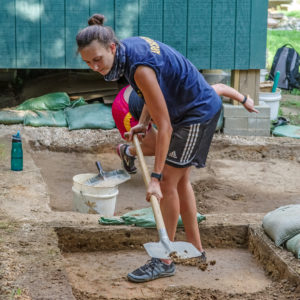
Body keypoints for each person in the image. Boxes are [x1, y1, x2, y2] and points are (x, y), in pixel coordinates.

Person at [76, 14, 258, 283]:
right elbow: (154, 92)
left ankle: (163, 260)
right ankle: (196, 250)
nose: (94, 67)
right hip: (188, 111)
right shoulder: (129, 53)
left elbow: (166, 127)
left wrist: (155, 179)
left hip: (195, 115)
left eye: (97, 59)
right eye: (87, 62)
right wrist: (142, 123)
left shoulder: (138, 67)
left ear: (112, 47)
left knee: (170, 183)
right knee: (182, 181)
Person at [113, 84, 257, 174]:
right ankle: (126, 151)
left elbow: (221, 88)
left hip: (139, 96)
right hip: (125, 109)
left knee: (169, 146)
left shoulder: (198, 93)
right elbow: (166, 131)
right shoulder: (171, 108)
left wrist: (244, 100)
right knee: (160, 148)